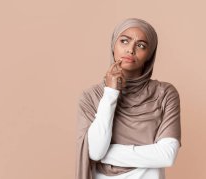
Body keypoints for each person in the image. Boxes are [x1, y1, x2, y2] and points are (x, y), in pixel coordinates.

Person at [75, 18, 181, 179]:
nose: (130, 50)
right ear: (113, 45)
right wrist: (111, 92)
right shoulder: (91, 97)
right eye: (124, 41)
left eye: (141, 45)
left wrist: (106, 153)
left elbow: (167, 155)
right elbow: (96, 151)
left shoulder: (164, 93)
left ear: (149, 55)